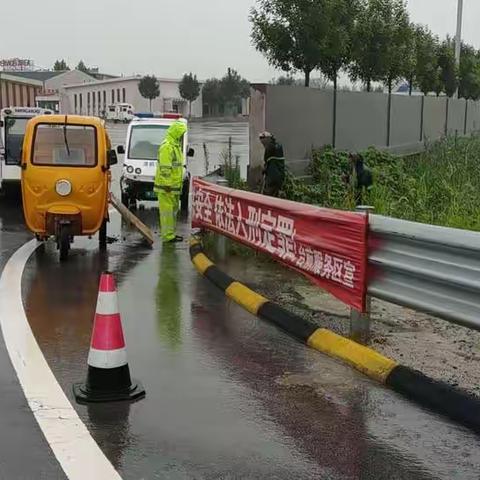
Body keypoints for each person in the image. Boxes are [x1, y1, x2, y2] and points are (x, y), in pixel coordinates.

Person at [154, 120, 187, 243]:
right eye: (181, 133)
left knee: (172, 212)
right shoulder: (167, 147)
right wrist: (167, 185)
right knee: (167, 213)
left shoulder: (175, 146)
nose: (182, 136)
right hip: (166, 188)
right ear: (176, 133)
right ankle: (167, 236)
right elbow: (165, 168)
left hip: (173, 187)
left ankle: (170, 234)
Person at [259, 131, 285, 197]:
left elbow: (267, 161)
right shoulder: (279, 146)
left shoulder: (269, 147)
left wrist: (264, 170)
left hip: (272, 177)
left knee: (268, 195)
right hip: (280, 176)